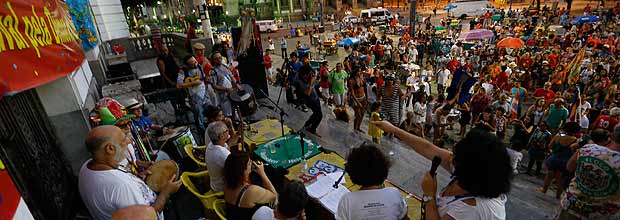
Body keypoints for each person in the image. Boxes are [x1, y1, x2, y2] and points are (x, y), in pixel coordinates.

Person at [371, 121, 512, 220]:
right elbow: (428, 148)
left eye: (455, 156)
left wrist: (429, 195)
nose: (450, 156)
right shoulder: (474, 172)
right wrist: (393, 129)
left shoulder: (472, 210)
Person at [79, 126, 181, 220]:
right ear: (110, 149)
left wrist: (138, 179)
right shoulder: (121, 186)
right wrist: (165, 193)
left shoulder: (87, 166)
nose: (128, 141)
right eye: (123, 140)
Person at [559, 127, 619, 220]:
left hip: (572, 205)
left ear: (613, 136)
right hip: (600, 215)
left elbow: (569, 167)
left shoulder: (588, 148)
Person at [336, 144, 408, 220]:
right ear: (384, 169)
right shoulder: (394, 194)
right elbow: (404, 216)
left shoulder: (347, 200)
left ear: (351, 174)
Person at [224, 152, 277, 219]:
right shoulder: (252, 191)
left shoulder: (227, 183)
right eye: (249, 163)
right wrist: (262, 173)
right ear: (243, 170)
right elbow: (274, 196)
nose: (252, 163)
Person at [537, 122, 580, 199]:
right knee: (560, 179)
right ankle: (558, 195)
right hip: (565, 161)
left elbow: (550, 146)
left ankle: (544, 189)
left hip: (554, 159)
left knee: (549, 175)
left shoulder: (558, 135)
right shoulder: (575, 140)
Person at [177, 55, 212, 134]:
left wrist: (207, 79)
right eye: (192, 64)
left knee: (211, 114)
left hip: (205, 95)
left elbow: (203, 78)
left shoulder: (199, 67)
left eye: (195, 61)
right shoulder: (183, 71)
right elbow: (179, 85)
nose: (195, 64)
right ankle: (203, 137)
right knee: (200, 119)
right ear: (187, 65)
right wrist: (194, 83)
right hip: (195, 98)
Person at [205, 121, 232, 192]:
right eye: (227, 130)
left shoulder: (211, 144)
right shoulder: (222, 154)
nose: (229, 130)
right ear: (221, 136)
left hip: (215, 183)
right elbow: (235, 173)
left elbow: (227, 147)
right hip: (222, 188)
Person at [296, 65, 323, 137]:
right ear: (303, 74)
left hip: (315, 97)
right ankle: (312, 129)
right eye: (308, 74)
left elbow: (315, 75)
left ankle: (307, 125)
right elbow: (307, 93)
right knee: (319, 115)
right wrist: (311, 84)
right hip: (310, 100)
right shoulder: (300, 81)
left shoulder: (309, 76)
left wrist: (314, 78)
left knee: (316, 114)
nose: (309, 76)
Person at [210, 51, 238, 117]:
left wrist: (235, 83)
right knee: (228, 114)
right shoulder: (213, 71)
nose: (219, 60)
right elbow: (214, 86)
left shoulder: (224, 66)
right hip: (223, 96)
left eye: (220, 58)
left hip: (232, 92)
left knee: (235, 111)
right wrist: (226, 89)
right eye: (216, 59)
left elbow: (231, 76)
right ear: (213, 60)